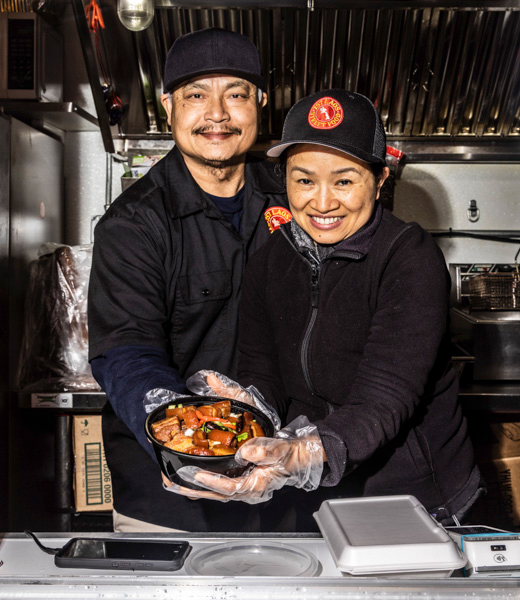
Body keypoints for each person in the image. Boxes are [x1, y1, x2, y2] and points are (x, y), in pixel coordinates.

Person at [166, 89, 484, 532]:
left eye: (344, 180)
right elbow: (264, 369)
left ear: (379, 180)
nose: (321, 202)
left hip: (416, 499)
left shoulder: (409, 258)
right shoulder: (271, 259)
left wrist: (305, 455)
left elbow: (384, 400)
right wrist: (251, 411)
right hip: (317, 498)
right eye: (303, 180)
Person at [87, 27, 288, 532]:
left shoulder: (295, 201)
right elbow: (127, 350)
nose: (217, 114)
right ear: (168, 106)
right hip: (170, 499)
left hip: (286, 487)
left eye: (236, 94)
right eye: (197, 95)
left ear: (260, 103)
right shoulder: (133, 224)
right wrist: (190, 434)